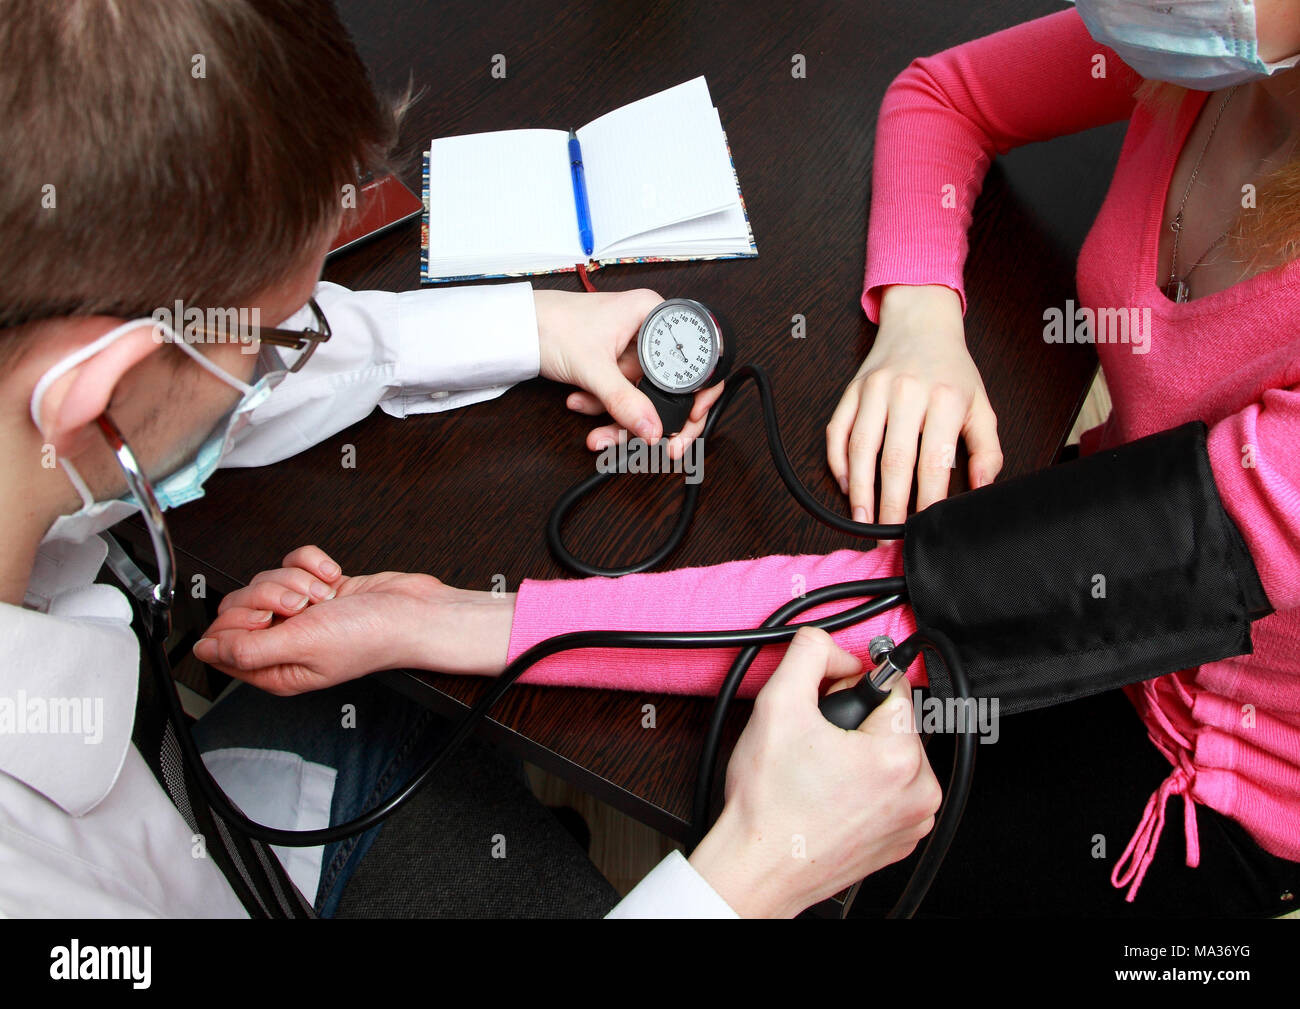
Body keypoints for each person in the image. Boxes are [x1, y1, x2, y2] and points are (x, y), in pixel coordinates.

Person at [202, 1, 1300, 916]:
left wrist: (447, 618)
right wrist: (919, 313)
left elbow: (923, 604)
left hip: (1226, 788)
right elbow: (944, 94)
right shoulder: (1197, 53)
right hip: (1109, 540)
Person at [0, 0, 940, 918]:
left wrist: (534, 324)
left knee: (395, 701)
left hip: (183, 805)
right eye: (279, 339)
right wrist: (746, 881)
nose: (292, 354)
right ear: (91, 400)